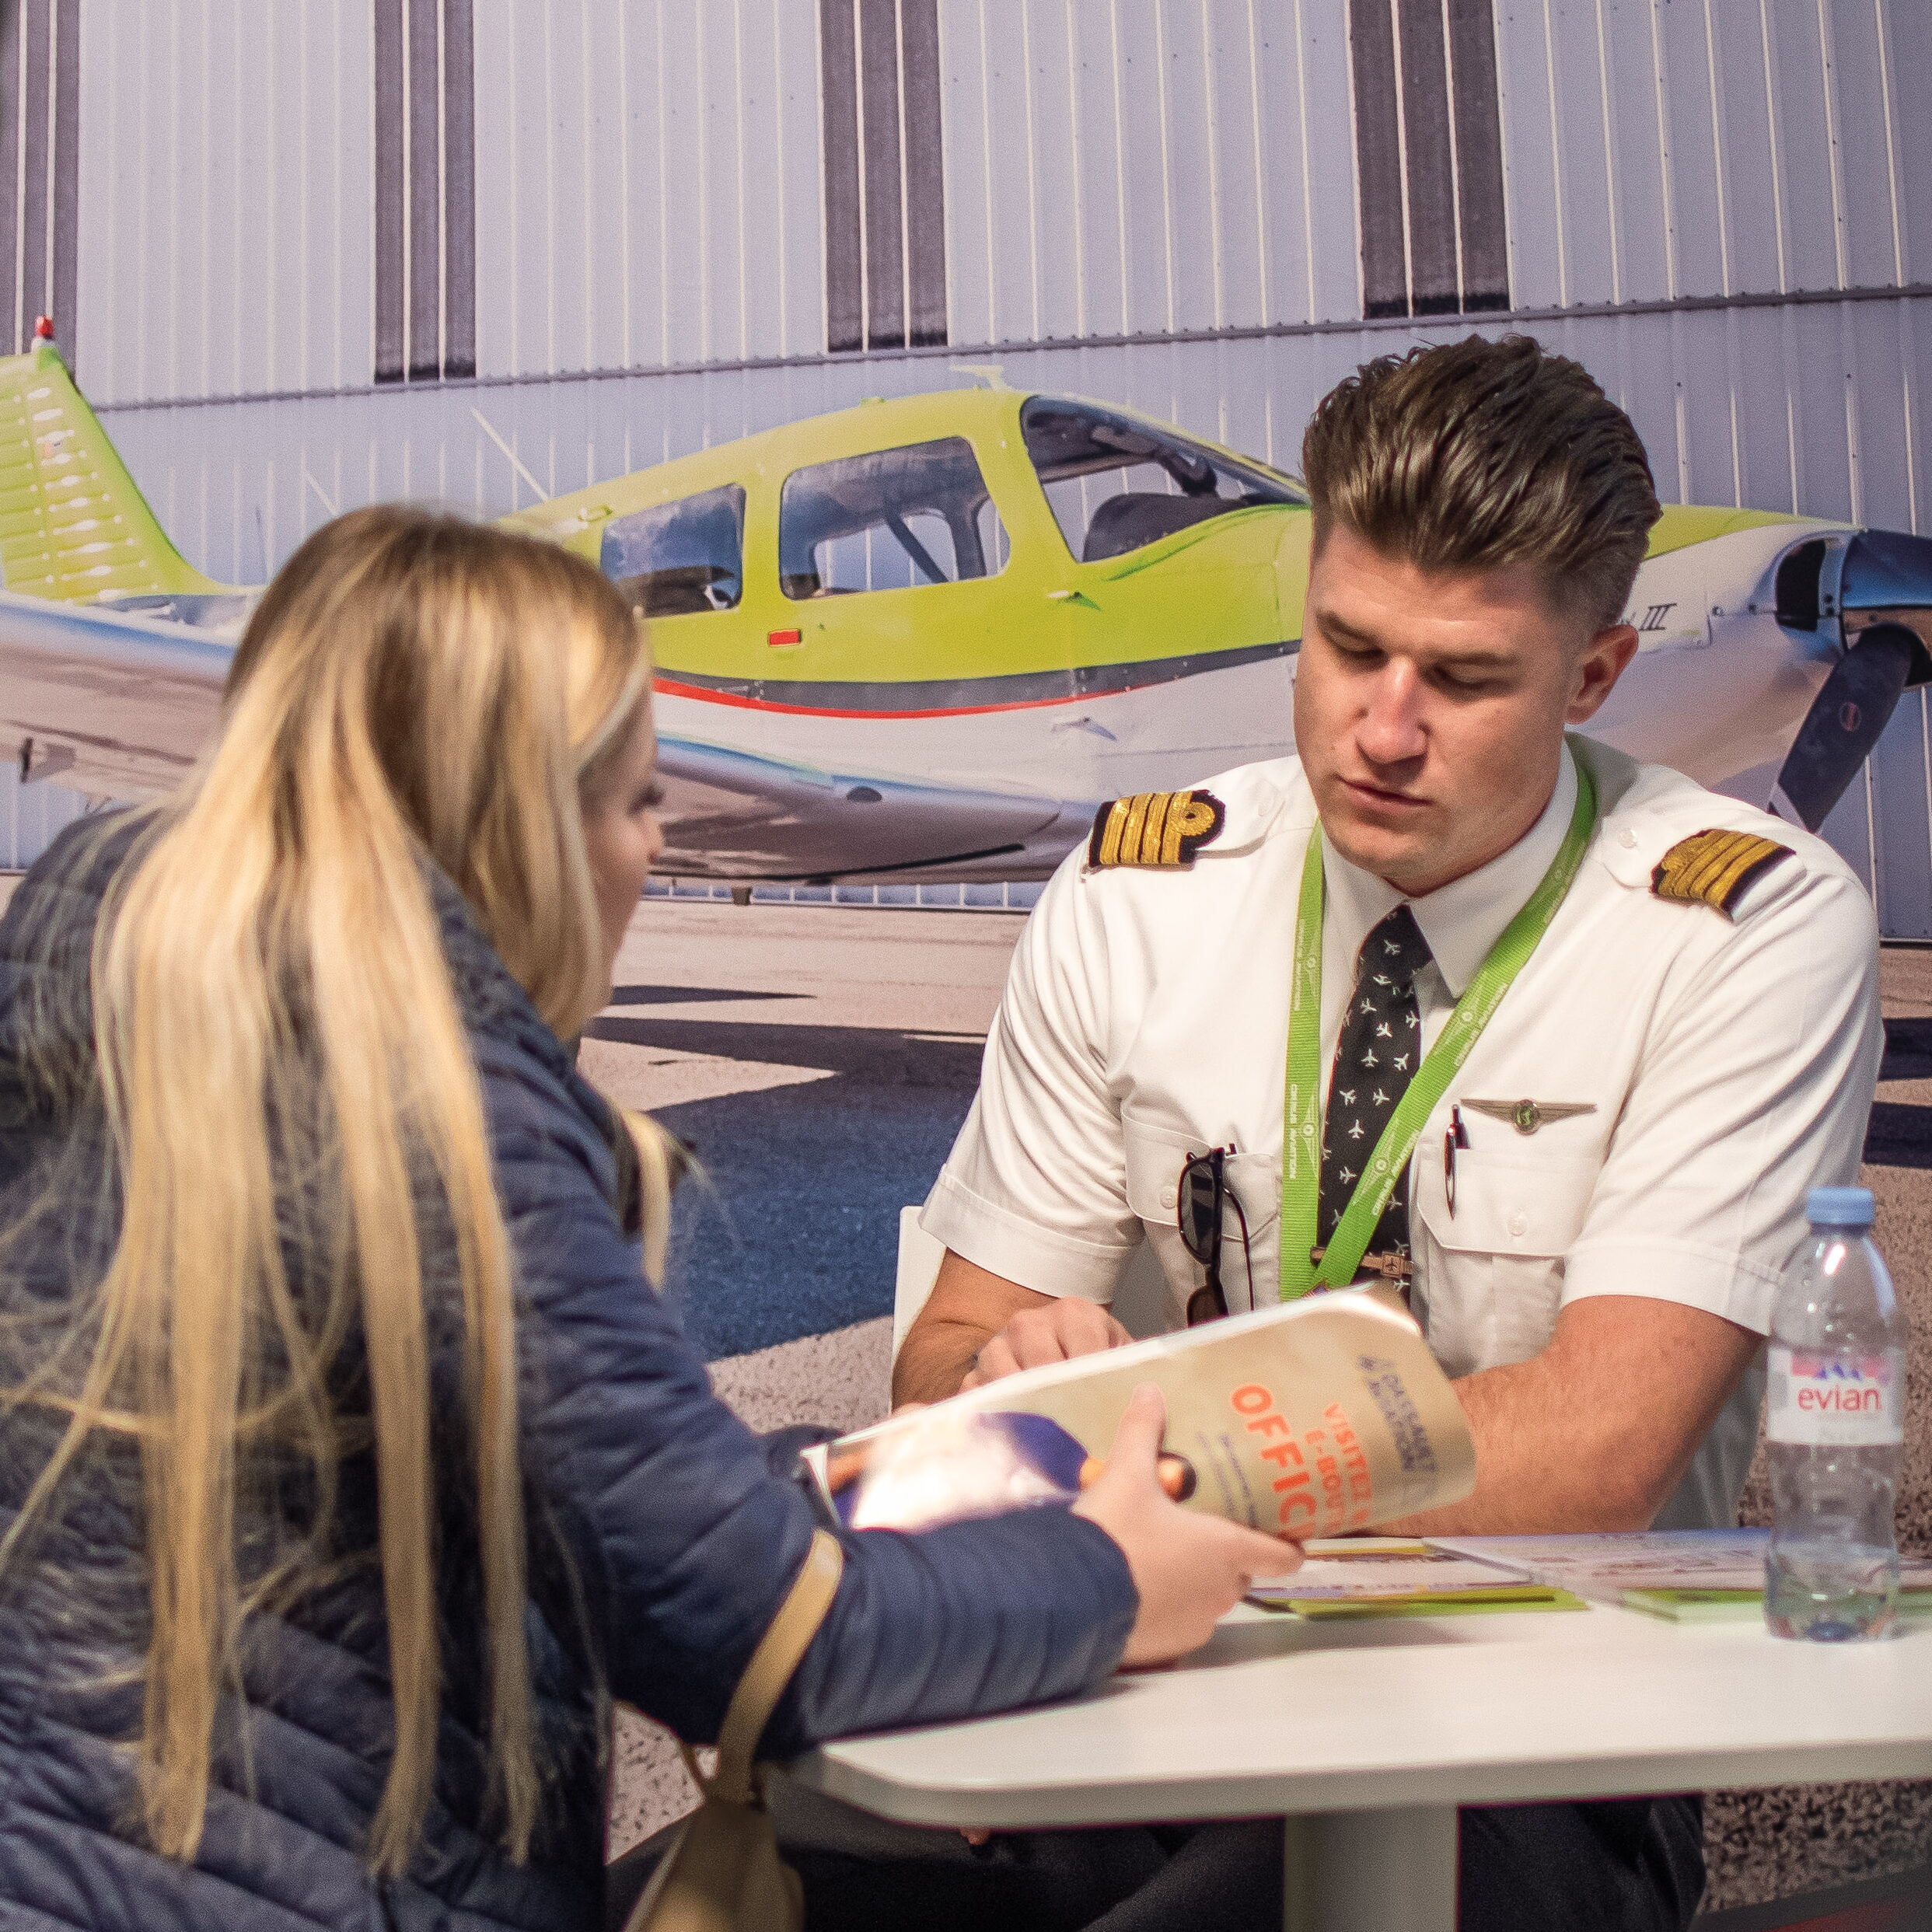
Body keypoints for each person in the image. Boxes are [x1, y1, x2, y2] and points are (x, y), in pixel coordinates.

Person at [0, 508, 1296, 1931]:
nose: (655, 843)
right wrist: (1111, 1575)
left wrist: (864, 1480)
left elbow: (527, 1472)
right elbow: (769, 1643)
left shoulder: (114, 984)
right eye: (634, 799)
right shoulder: (430, 1101)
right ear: (520, 822)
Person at [895, 336, 1883, 1930]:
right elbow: (945, 1354)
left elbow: (1592, 1449)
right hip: (1154, 1685)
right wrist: (995, 1384)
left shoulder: (1740, 929)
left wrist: (1111, 1458)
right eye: (1345, 647)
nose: (1382, 727)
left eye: (1466, 678)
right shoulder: (1143, 891)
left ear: (1595, 677)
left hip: (1542, 1731)